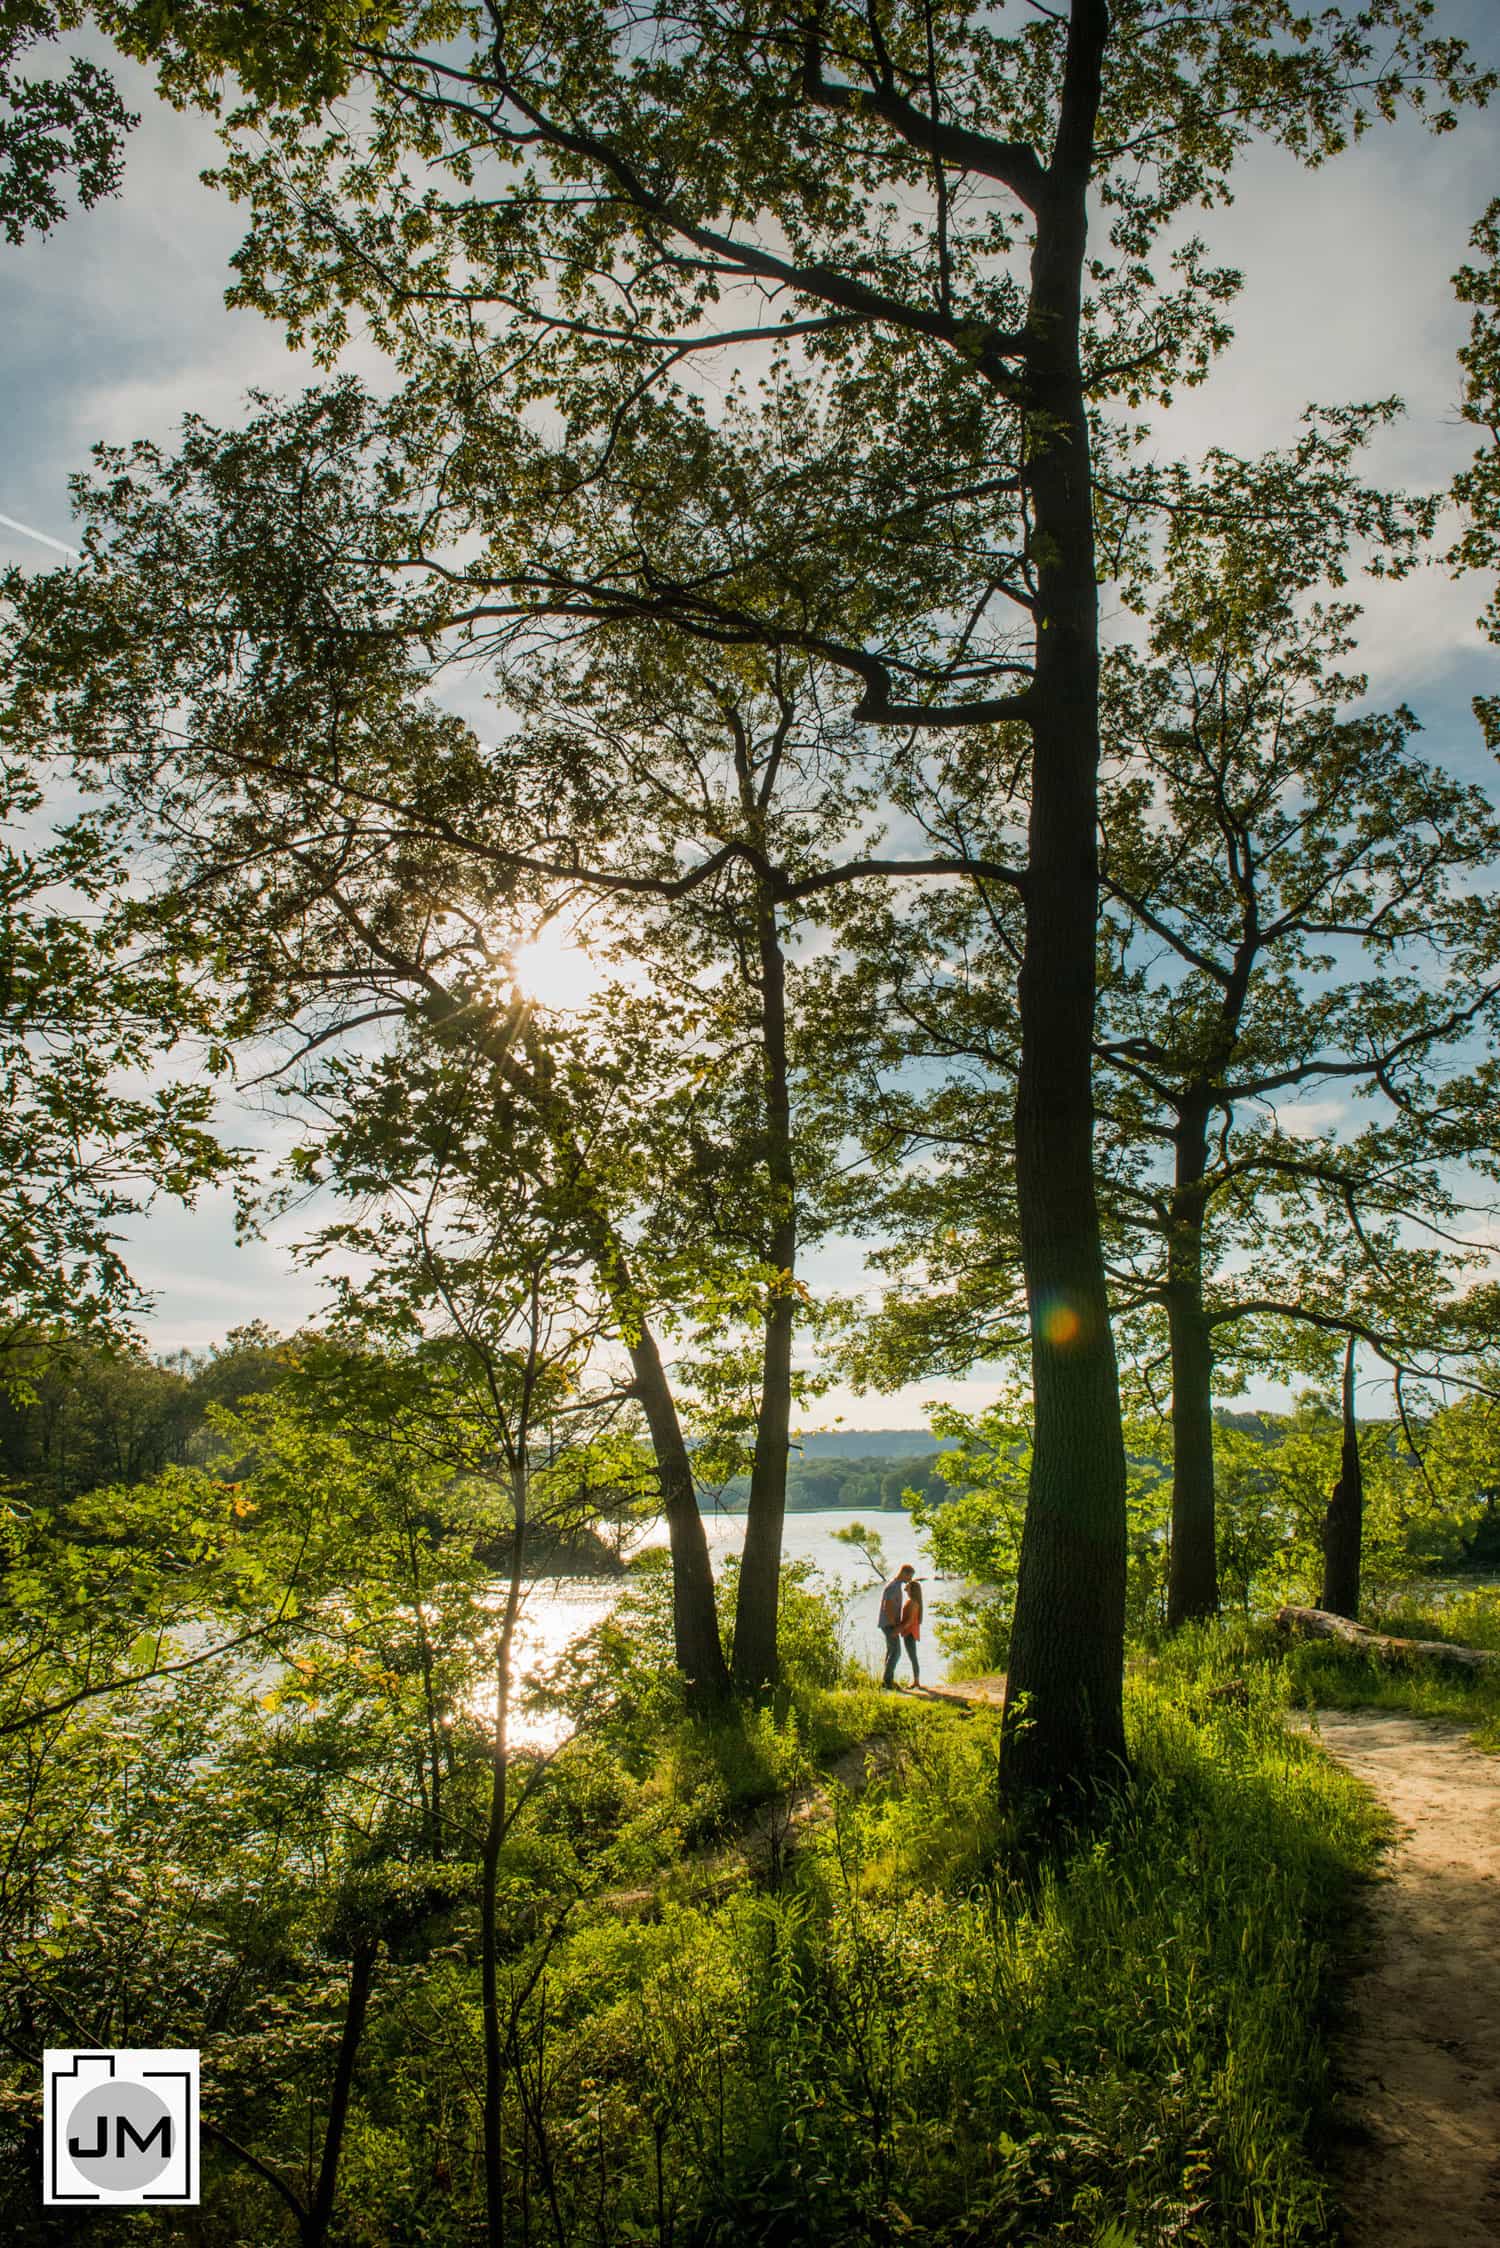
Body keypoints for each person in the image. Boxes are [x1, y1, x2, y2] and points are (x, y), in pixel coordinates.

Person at [877, 1563, 915, 1688]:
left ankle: (888, 1680)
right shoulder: (893, 1587)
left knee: (891, 1651)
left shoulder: (896, 1585)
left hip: (888, 1623)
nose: (910, 1579)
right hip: (888, 1624)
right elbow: (887, 1606)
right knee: (896, 1652)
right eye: (910, 1576)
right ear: (904, 1573)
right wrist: (894, 1624)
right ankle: (887, 1682)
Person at [899, 1576, 924, 1687]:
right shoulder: (912, 1601)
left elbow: (910, 1620)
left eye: (907, 1588)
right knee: (912, 1656)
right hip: (909, 1631)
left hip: (910, 1632)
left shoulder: (913, 1603)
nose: (905, 1590)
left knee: (913, 1656)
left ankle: (916, 1681)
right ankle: (916, 1680)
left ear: (912, 1590)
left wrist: (899, 1629)